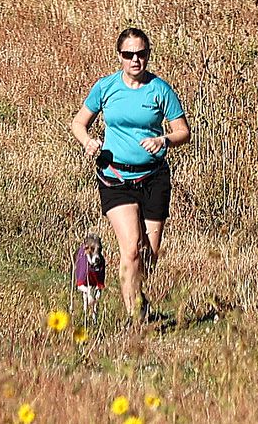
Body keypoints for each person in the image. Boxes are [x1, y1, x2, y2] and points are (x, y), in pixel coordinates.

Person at [67, 23, 188, 324]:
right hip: (115, 177)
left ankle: (139, 299)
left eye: (141, 54)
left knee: (148, 255)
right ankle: (136, 321)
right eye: (128, 54)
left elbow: (183, 131)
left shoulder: (160, 89)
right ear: (119, 56)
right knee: (132, 247)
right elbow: (78, 123)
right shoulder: (106, 87)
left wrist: (164, 139)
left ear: (148, 55)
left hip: (153, 177)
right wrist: (89, 142)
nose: (135, 60)